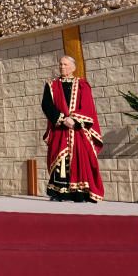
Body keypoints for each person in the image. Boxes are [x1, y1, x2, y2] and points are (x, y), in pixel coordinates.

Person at [42, 55, 104, 202]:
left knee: (80, 159)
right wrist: (63, 119)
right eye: (61, 64)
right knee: (60, 160)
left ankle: (80, 194)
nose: (62, 67)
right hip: (59, 130)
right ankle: (58, 193)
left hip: (78, 130)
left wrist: (74, 120)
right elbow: (46, 105)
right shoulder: (51, 85)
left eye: (65, 64)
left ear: (73, 67)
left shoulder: (83, 84)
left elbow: (88, 107)